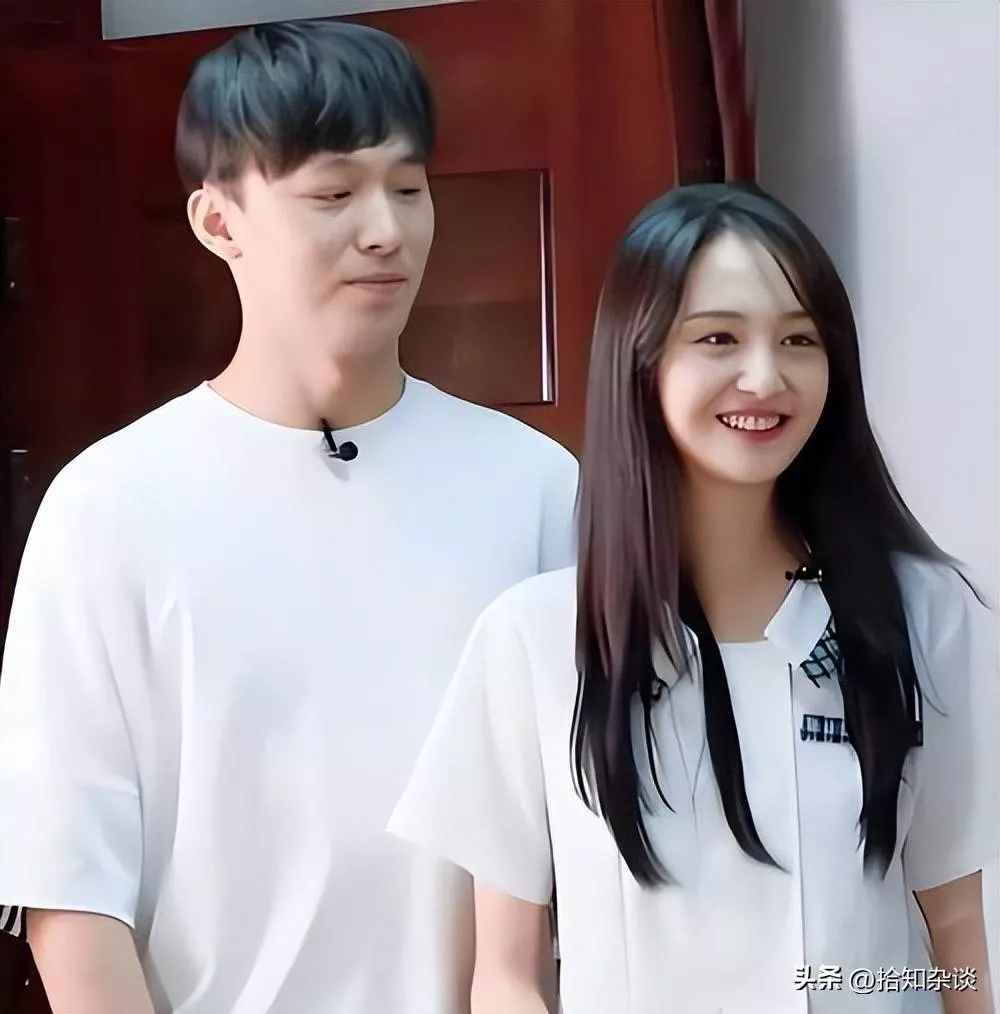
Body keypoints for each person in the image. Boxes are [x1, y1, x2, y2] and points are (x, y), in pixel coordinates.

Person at [0, 20, 577, 1014]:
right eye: (333, 194)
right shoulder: (109, 506)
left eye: (408, 187)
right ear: (218, 221)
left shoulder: (534, 486)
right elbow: (69, 892)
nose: (386, 230)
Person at [389, 182, 1000, 1014]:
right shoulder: (535, 639)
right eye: (719, 337)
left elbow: (955, 930)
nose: (765, 375)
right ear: (640, 360)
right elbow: (506, 974)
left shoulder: (925, 616)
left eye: (799, 339)